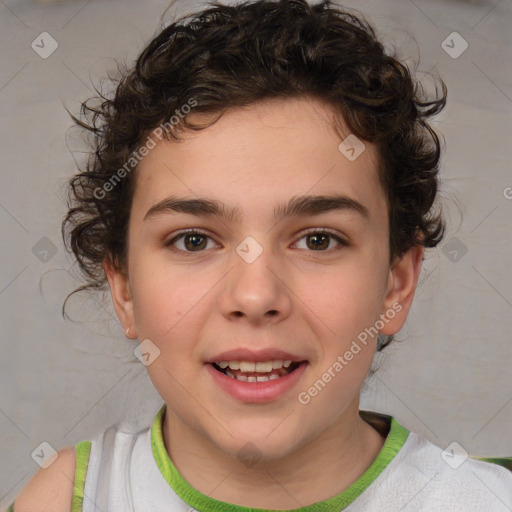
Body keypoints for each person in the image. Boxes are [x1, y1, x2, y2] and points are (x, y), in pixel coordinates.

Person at [9, 0, 512, 510]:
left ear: (396, 284)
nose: (254, 296)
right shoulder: (67, 498)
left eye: (318, 240)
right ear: (124, 290)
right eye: (194, 240)